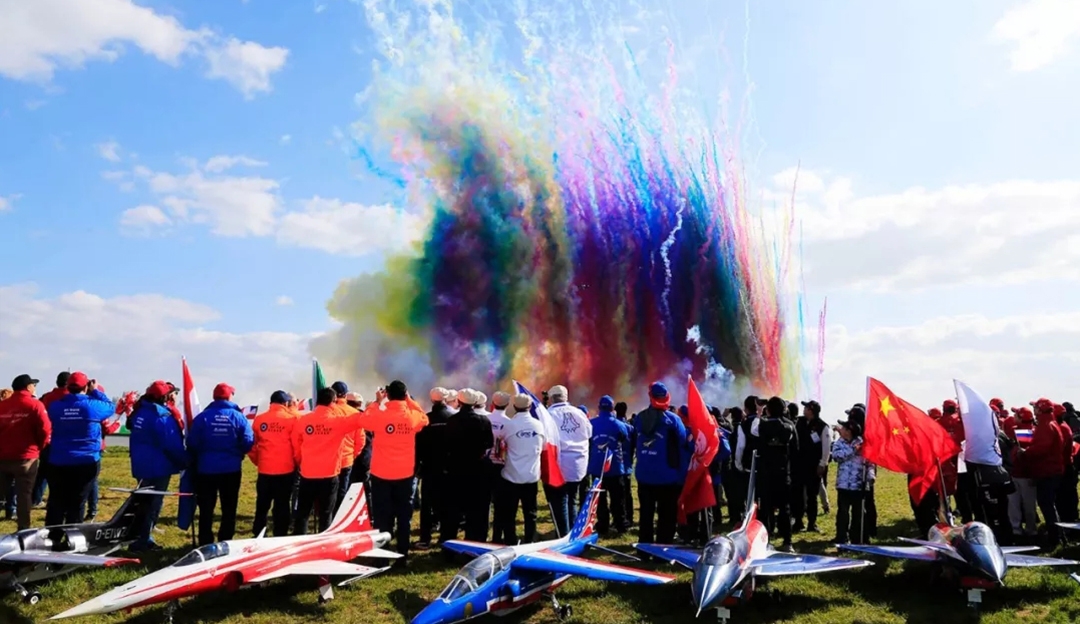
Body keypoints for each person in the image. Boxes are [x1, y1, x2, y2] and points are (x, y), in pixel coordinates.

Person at [356, 380, 428, 560]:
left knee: (382, 517)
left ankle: (382, 556)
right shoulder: (412, 416)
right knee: (404, 517)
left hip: (381, 474)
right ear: (405, 395)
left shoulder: (379, 415)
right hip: (404, 474)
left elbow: (363, 420)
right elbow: (424, 417)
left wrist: (375, 402)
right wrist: (409, 400)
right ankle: (402, 554)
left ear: (387, 395)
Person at [292, 387, 366, 534]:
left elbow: (296, 444)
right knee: (326, 514)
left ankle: (299, 543)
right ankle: (323, 544)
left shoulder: (304, 420)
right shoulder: (338, 422)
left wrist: (301, 461)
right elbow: (361, 418)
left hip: (308, 473)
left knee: (303, 513)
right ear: (333, 402)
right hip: (329, 474)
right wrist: (376, 402)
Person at [187, 383, 253, 546]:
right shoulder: (238, 417)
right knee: (229, 508)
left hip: (206, 469)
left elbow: (192, 442)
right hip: (231, 469)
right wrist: (238, 452)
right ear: (229, 396)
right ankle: (226, 541)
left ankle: (205, 542)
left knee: (206, 508)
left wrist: (204, 453)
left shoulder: (202, 417)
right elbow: (248, 441)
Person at [45, 372, 113, 526]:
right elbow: (110, 407)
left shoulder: (55, 406)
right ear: (86, 386)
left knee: (56, 500)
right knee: (78, 501)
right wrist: (95, 391)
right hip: (85, 460)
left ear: (68, 386)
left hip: (59, 459)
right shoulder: (92, 405)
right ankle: (72, 536)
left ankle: (52, 536)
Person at [127, 381, 187, 550]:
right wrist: (186, 461)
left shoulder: (140, 411)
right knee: (153, 503)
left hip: (140, 464)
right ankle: (144, 539)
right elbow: (171, 444)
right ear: (164, 397)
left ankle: (137, 534)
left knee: (143, 501)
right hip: (157, 467)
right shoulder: (161, 416)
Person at [634, 382, 689, 545]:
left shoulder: (639, 418)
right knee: (667, 516)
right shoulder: (673, 420)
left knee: (646, 514)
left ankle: (644, 548)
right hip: (667, 477)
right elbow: (683, 442)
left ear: (650, 396)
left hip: (644, 475)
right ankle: (662, 549)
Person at [442, 388, 495, 542]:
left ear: (459, 402)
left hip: (456, 469)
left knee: (453, 509)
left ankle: (449, 543)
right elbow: (489, 443)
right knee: (477, 509)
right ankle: (475, 542)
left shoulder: (452, 421)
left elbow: (446, 445)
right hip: (477, 469)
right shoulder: (484, 421)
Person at [492, 393, 546, 544]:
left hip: (511, 476)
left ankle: (510, 540)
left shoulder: (509, 425)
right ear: (530, 406)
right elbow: (543, 446)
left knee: (509, 513)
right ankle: (530, 540)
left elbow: (499, 445)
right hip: (531, 475)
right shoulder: (538, 424)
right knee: (531, 513)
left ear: (514, 406)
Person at [0, 375, 51, 530]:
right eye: (33, 385)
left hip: (3, 457)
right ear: (28, 387)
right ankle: (23, 528)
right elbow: (45, 429)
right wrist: (40, 447)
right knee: (24, 495)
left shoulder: (2, 406)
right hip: (26, 458)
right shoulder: (35, 405)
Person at [249, 390, 299, 537]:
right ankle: (280, 534)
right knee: (282, 505)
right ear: (286, 404)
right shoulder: (292, 420)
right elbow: (296, 445)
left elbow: (252, 445)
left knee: (262, 505)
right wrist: (296, 462)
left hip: (265, 470)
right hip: (286, 470)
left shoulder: (259, 420)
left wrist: (258, 460)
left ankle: (258, 533)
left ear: (271, 403)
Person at [546, 385, 592, 537]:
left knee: (561, 501)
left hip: (560, 464)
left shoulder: (548, 414)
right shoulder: (579, 412)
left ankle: (564, 535)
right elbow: (589, 432)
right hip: (578, 464)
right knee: (572, 499)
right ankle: (573, 532)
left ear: (551, 398)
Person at [757, 396, 798, 552]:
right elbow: (796, 450)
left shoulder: (762, 425)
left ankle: (766, 540)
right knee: (785, 507)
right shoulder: (790, 426)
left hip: (766, 472)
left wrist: (760, 414)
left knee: (766, 509)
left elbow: (757, 443)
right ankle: (788, 541)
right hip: (784, 471)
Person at [588, 395, 632, 535]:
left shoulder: (591, 423)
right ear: (612, 408)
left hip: (596, 467)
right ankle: (620, 525)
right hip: (615, 467)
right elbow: (625, 438)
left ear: (599, 407)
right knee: (618, 499)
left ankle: (602, 525)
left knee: (599, 500)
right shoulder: (619, 425)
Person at [416, 388, 452, 548]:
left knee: (427, 505)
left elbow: (418, 446)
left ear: (432, 401)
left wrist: (418, 466)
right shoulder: (453, 418)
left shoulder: (426, 419)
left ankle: (425, 538)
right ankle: (445, 537)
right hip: (449, 468)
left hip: (429, 468)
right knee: (447, 503)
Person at [1026, 398, 1065, 547]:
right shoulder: (1051, 423)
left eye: (1035, 407)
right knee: (1048, 504)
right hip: (1051, 470)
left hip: (1047, 471)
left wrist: (1026, 451)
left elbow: (1041, 448)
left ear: (1040, 409)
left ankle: (1054, 538)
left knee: (1046, 505)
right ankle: (1056, 535)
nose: (1034, 410)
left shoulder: (1045, 425)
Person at [792, 400, 829, 533]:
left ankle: (812, 523)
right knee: (798, 494)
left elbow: (826, 447)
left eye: (806, 408)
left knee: (812, 495)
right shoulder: (799, 422)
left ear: (811, 410)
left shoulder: (822, 426)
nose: (804, 410)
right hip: (799, 464)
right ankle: (798, 521)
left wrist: (822, 463)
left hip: (813, 466)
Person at [35, 371, 70, 508]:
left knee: (43, 471)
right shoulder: (70, 397)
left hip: (48, 440)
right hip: (66, 441)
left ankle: (36, 498)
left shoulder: (47, 397)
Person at [832, 420, 867, 544]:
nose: (842, 430)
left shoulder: (862, 443)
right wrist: (852, 450)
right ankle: (841, 537)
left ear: (850, 431)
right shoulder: (839, 443)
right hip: (843, 484)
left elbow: (869, 461)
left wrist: (870, 477)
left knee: (857, 513)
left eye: (845, 428)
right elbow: (836, 456)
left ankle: (856, 538)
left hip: (858, 485)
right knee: (843, 512)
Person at [330, 382, 363, 514]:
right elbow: (360, 440)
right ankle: (341, 517)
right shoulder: (355, 413)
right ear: (345, 395)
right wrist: (353, 455)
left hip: (329, 459)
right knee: (343, 490)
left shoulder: (329, 410)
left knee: (328, 491)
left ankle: (328, 518)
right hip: (346, 459)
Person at [1006, 406, 1039, 538]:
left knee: (1025, 504)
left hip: (1024, 474)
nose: (1013, 417)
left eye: (1016, 415)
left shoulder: (1025, 432)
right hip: (1018, 473)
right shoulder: (1032, 430)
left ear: (1020, 417)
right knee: (1023, 504)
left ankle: (1025, 530)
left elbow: (1026, 458)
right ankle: (1023, 529)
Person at [487, 391, 513, 543]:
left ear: (493, 403)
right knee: (500, 504)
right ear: (507, 405)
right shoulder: (508, 423)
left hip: (485, 465)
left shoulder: (485, 419)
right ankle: (497, 536)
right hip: (500, 466)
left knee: (484, 502)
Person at [1054, 403, 1079, 523]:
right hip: (1070, 463)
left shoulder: (1062, 428)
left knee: (1064, 495)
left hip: (1064, 465)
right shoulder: (1067, 425)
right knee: (1070, 494)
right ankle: (1071, 518)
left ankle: (1067, 522)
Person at [614, 401, 635, 526]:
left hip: (616, 466)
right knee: (627, 494)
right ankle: (629, 518)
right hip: (627, 465)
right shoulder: (630, 428)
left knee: (616, 496)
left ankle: (618, 519)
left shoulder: (614, 426)